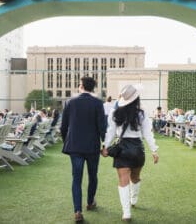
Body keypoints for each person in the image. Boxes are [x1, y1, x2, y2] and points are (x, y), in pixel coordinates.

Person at [102, 84, 159, 222]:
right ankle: (133, 200)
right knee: (135, 177)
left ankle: (126, 213)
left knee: (123, 181)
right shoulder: (142, 114)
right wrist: (154, 150)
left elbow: (110, 133)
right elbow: (147, 134)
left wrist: (105, 146)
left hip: (122, 149)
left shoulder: (115, 113)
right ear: (136, 98)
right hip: (138, 149)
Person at [61, 76, 106, 222]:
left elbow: (63, 126)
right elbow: (102, 127)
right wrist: (105, 144)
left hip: (74, 146)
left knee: (76, 178)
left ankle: (78, 211)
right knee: (93, 176)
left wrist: (66, 141)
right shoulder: (98, 103)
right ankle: (90, 202)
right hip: (92, 146)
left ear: (81, 86)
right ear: (93, 88)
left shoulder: (70, 102)